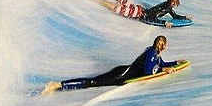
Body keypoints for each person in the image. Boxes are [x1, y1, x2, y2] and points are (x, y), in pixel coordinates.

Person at [42, 36, 177, 93]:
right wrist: (164, 69)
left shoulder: (153, 51)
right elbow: (149, 71)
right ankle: (57, 85)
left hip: (124, 72)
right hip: (121, 74)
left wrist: (176, 63)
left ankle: (58, 86)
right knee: (93, 82)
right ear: (162, 45)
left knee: (93, 82)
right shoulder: (152, 53)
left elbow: (161, 63)